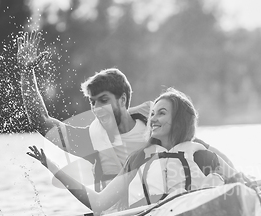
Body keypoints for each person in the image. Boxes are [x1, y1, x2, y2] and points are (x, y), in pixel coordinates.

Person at [17, 31, 234, 191]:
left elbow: (202, 150)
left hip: (171, 200)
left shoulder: (157, 122)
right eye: (92, 102)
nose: (96, 109)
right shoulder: (91, 141)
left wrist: (237, 177)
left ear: (122, 99)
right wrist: (27, 73)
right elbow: (41, 121)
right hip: (122, 213)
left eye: (103, 100)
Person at [27, 88, 243, 213]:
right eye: (153, 113)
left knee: (217, 181)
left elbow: (240, 183)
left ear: (178, 120)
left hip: (201, 211)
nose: (153, 118)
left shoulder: (201, 153)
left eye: (162, 113)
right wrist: (52, 166)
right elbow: (99, 204)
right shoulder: (139, 159)